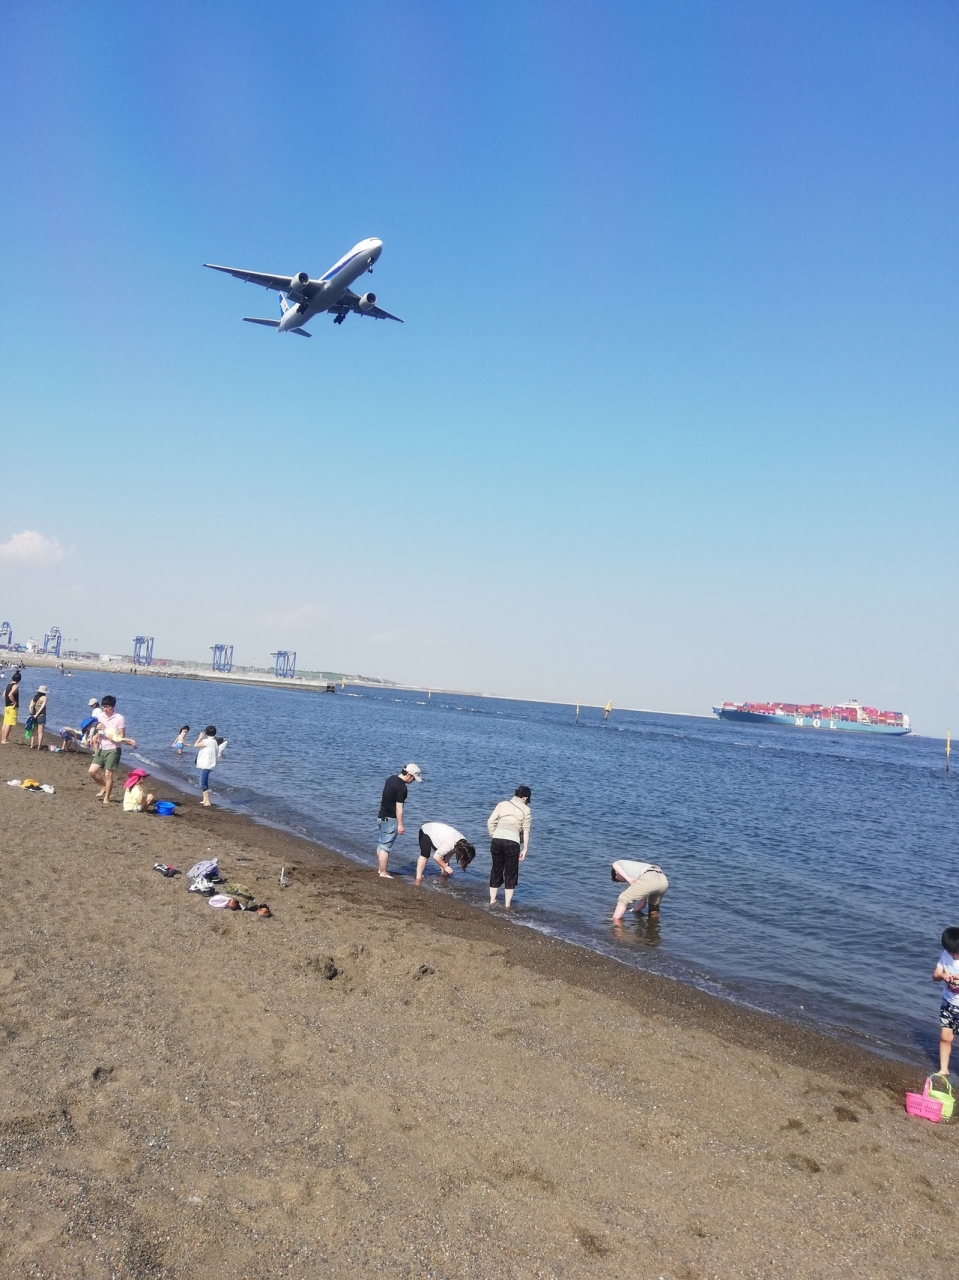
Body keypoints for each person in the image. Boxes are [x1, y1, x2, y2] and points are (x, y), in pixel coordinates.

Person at [487, 785, 532, 907]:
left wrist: (494, 835)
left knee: (496, 870)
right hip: (512, 842)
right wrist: (525, 849)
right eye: (527, 801)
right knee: (511, 873)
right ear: (524, 798)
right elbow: (526, 831)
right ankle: (507, 905)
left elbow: (490, 822)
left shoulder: (502, 804)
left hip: (497, 840)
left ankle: (492, 901)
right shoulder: (526, 810)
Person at [376, 764, 424, 878]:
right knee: (385, 847)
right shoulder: (402, 788)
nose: (412, 781)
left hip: (381, 816)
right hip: (390, 819)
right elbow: (399, 808)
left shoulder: (390, 779)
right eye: (413, 778)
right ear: (408, 775)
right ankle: (383, 872)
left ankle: (380, 869)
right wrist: (401, 824)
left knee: (381, 844)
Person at [88, 696, 136, 804]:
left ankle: (107, 798)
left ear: (113, 706)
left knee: (108, 774)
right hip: (101, 748)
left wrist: (112, 734)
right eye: (104, 706)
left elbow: (121, 737)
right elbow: (95, 729)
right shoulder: (100, 716)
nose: (105, 709)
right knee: (92, 771)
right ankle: (103, 786)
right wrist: (95, 734)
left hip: (113, 749)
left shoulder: (119, 718)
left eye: (108, 707)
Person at [933, 926, 959, 1075]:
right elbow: (935, 975)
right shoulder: (945, 955)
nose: (953, 955)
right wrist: (943, 976)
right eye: (950, 952)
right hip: (948, 1002)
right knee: (945, 1037)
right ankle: (944, 1069)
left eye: (955, 952)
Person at [611, 857, 669, 923]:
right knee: (653, 908)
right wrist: (631, 911)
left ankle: (616, 925)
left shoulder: (619, 864)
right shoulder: (636, 872)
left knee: (624, 898)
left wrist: (628, 879)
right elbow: (642, 904)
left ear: (616, 872)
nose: (620, 882)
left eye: (617, 880)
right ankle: (653, 930)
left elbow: (614, 864)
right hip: (663, 880)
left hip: (650, 877)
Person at [193, 725, 223, 806]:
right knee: (204, 782)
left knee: (202, 783)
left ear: (206, 733)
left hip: (206, 765)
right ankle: (205, 800)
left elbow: (195, 745)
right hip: (210, 764)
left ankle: (207, 801)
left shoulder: (207, 741)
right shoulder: (214, 742)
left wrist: (199, 737)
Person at [1, 670, 21, 744]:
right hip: (12, 707)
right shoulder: (15, 685)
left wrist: (8, 700)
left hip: (7, 706)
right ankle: (4, 740)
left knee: (5, 723)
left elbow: (4, 695)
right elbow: (10, 695)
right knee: (9, 724)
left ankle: (3, 739)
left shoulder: (8, 685)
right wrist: (14, 702)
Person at [26, 685, 48, 750]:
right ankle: (39, 746)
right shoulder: (44, 698)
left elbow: (30, 706)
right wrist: (37, 714)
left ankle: (32, 745)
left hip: (34, 716)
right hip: (41, 716)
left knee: (33, 731)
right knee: (40, 732)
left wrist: (32, 714)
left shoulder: (34, 697)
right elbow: (42, 707)